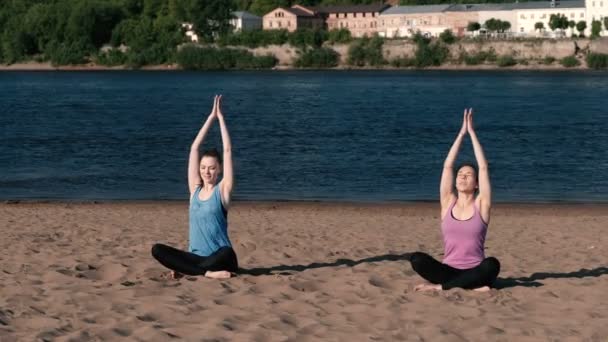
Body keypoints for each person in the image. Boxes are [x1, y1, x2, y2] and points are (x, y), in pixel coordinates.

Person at [410, 108, 500, 291]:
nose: (462, 177)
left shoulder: (481, 205)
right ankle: (469, 286)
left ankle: (441, 287)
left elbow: (483, 167)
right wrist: (461, 133)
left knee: (492, 264)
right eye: (460, 174)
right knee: (417, 259)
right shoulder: (448, 202)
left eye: (468, 175)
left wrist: (472, 133)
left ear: (476, 184)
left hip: (476, 269)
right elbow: (447, 166)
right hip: (448, 270)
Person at [151, 95, 237, 279]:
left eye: (212, 168)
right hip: (195, 257)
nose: (207, 172)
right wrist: (210, 118)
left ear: (219, 169)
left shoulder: (222, 190)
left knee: (226, 253)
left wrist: (220, 118)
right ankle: (205, 273)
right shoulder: (195, 191)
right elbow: (194, 148)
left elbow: (228, 150)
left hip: (220, 257)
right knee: (157, 249)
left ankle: (188, 269)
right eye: (203, 168)